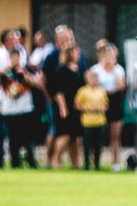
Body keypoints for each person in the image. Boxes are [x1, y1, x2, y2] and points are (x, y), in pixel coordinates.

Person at [0, 48, 38, 168]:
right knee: (12, 138)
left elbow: (35, 83)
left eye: (17, 57)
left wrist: (24, 74)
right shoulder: (5, 72)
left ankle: (31, 161)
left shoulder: (25, 70)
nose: (15, 60)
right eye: (13, 57)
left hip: (24, 108)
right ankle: (15, 162)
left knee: (27, 137)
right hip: (9, 109)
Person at [87, 41, 127, 171]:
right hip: (100, 102)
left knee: (115, 136)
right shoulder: (96, 69)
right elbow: (92, 85)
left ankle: (115, 162)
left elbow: (121, 86)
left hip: (115, 102)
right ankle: (94, 161)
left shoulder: (118, 69)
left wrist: (114, 71)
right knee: (97, 135)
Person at [51, 44, 85, 169]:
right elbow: (58, 90)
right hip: (67, 106)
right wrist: (63, 107)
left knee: (75, 137)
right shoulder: (62, 69)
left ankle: (75, 163)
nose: (78, 55)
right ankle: (56, 159)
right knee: (65, 135)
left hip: (78, 107)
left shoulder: (79, 69)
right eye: (76, 52)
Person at [75, 68, 109, 170]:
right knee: (87, 146)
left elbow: (106, 105)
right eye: (92, 78)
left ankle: (97, 164)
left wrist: (100, 108)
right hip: (87, 122)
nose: (95, 80)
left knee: (98, 145)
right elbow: (77, 105)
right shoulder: (83, 91)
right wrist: (89, 108)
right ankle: (86, 164)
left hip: (100, 121)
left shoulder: (101, 91)